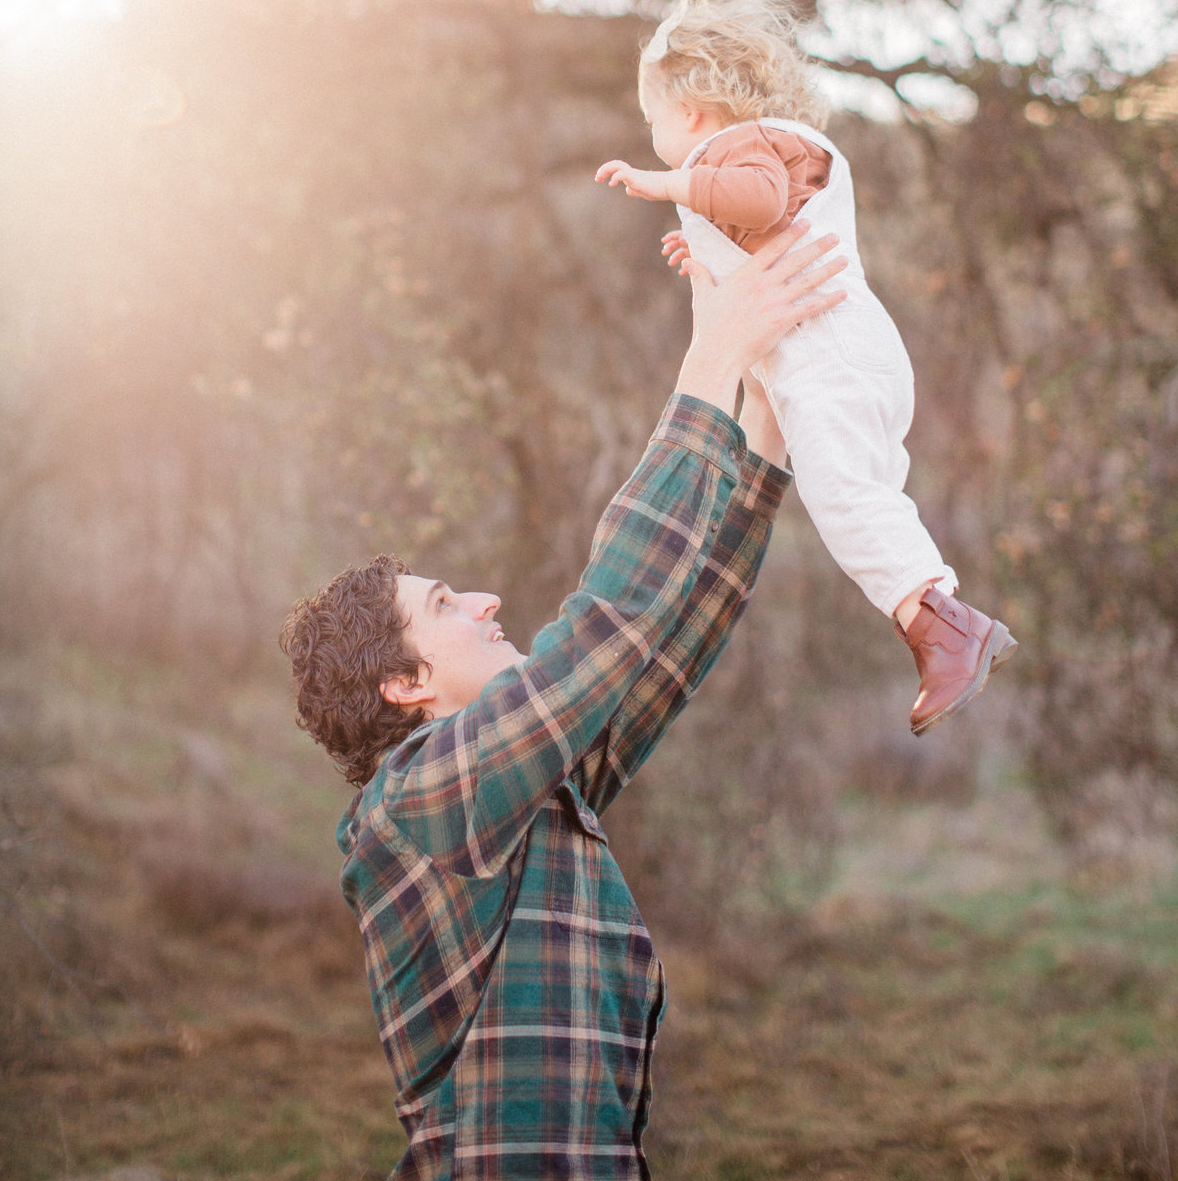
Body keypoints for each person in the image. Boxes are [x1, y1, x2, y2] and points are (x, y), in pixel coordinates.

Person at [281, 222, 846, 1181]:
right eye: (446, 606)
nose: (486, 601)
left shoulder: (525, 794)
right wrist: (709, 358)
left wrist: (761, 430)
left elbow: (658, 649)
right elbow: (604, 629)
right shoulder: (418, 803)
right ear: (405, 685)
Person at [595, 0, 1016, 736]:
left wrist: (667, 184)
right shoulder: (752, 151)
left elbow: (757, 201)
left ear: (689, 111)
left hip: (829, 359)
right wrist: (705, 250)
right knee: (869, 497)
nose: (652, 133)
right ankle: (943, 620)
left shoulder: (734, 151)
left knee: (845, 497)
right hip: (854, 352)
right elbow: (756, 231)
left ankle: (946, 631)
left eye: (650, 116)